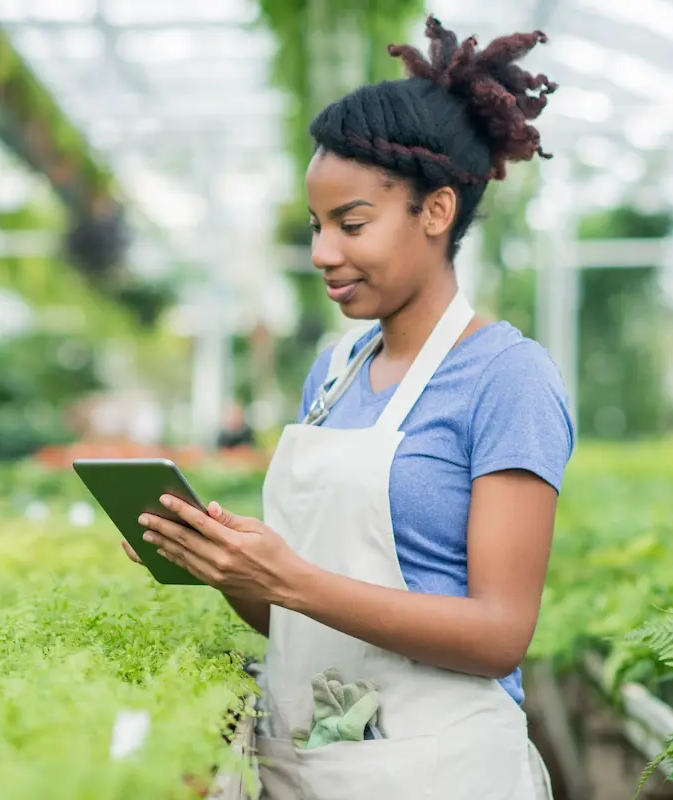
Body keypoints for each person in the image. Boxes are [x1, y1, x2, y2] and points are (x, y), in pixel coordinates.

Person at [123, 15, 574, 800]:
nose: (323, 253)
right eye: (316, 226)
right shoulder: (333, 374)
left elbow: (500, 635)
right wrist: (228, 568)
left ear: (435, 212)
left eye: (351, 223)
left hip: (443, 773)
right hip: (316, 760)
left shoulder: (507, 378)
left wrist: (290, 578)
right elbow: (300, 619)